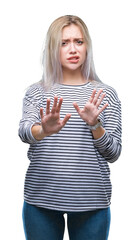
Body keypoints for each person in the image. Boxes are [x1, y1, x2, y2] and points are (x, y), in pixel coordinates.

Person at [19, 15, 122, 240]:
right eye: (64, 43)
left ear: (87, 47)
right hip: (41, 200)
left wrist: (95, 125)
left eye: (79, 41)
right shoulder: (37, 92)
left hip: (92, 201)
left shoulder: (105, 95)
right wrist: (43, 130)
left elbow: (113, 153)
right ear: (52, 49)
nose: (73, 49)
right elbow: (24, 133)